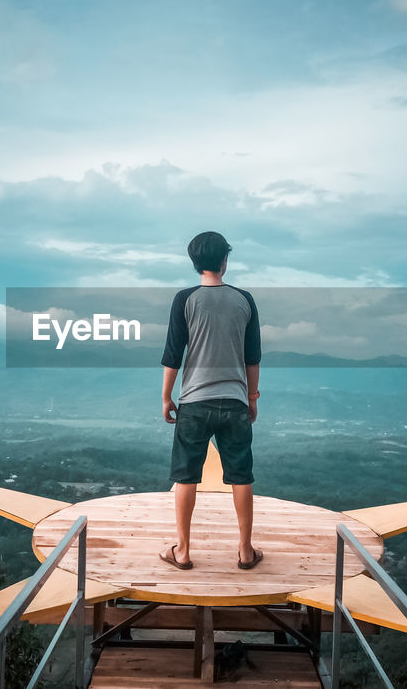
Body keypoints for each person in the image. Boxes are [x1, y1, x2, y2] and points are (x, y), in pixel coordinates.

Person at [159, 231, 262, 570]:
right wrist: (251, 397)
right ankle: (246, 552)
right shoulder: (244, 299)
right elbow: (253, 357)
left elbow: (173, 354)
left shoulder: (184, 299)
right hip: (234, 401)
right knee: (241, 475)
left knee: (186, 476)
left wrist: (166, 397)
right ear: (224, 260)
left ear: (194, 263)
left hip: (194, 402)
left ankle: (183, 551)